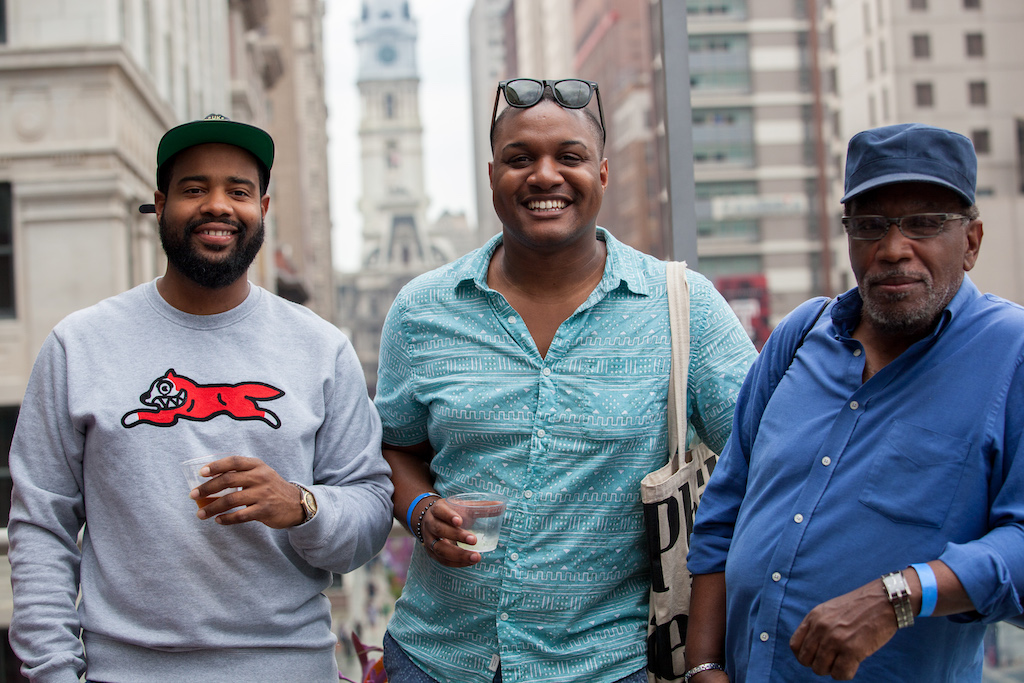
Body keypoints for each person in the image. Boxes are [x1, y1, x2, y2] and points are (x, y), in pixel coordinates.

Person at [374, 78, 757, 683]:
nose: (544, 176)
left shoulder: (684, 306)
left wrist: (709, 652)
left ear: (601, 173)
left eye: (569, 157)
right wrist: (422, 509)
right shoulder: (423, 309)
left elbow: (762, 462)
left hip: (611, 663)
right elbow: (395, 445)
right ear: (493, 173)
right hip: (438, 659)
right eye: (520, 159)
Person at [7, 114, 394, 682]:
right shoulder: (79, 344)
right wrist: (54, 673)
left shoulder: (319, 348)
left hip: (288, 669)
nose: (217, 205)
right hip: (123, 671)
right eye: (194, 189)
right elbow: (42, 525)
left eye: (237, 191)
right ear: (160, 205)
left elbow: (368, 516)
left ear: (262, 209)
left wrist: (302, 505)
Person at [685, 123, 1024, 682]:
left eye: (924, 223)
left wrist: (900, 595)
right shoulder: (800, 334)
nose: (892, 249)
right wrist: (702, 665)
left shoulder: (1009, 356)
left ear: (971, 241)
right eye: (869, 226)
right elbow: (726, 508)